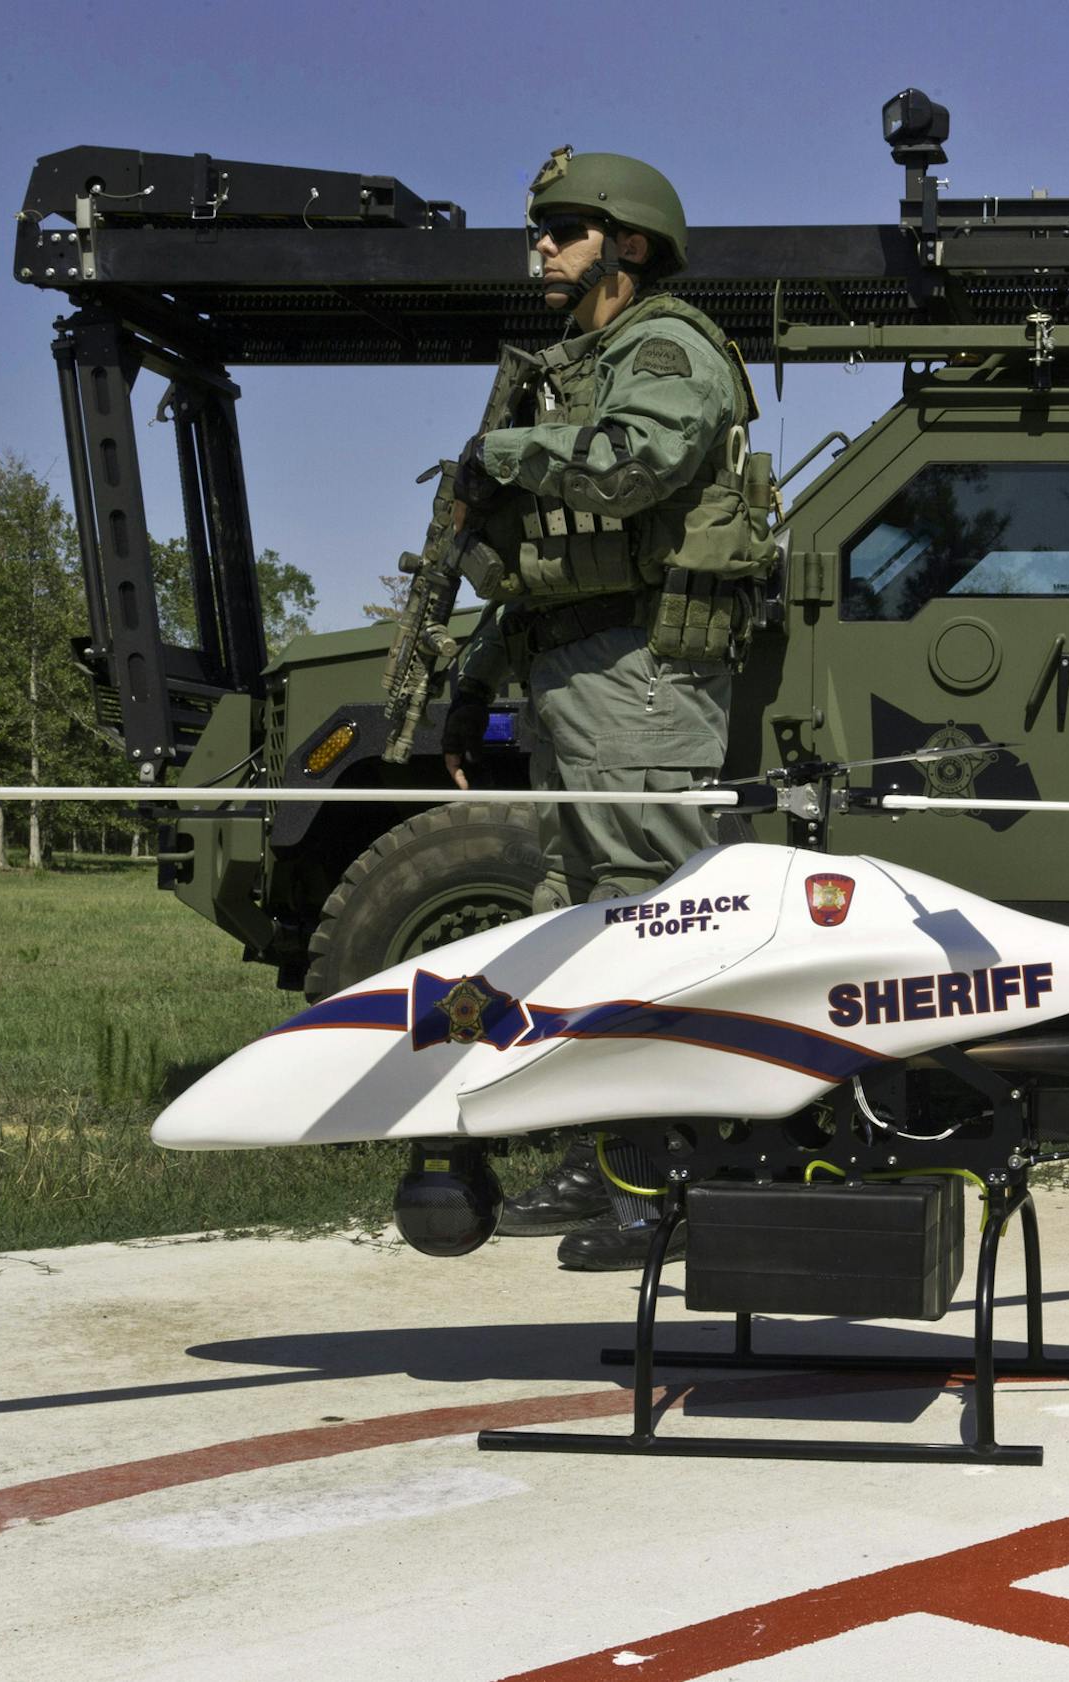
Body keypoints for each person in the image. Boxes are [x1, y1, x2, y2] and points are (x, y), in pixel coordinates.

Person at [438, 147, 765, 1270]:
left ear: (626, 246)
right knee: (577, 916)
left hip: (643, 681)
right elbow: (557, 561)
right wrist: (472, 678)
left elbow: (635, 464)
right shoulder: (591, 358)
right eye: (542, 228)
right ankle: (608, 1157)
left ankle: (672, 1179)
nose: (542, 245)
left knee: (651, 921)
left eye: (565, 229)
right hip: (580, 681)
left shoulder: (665, 347)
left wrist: (500, 453)